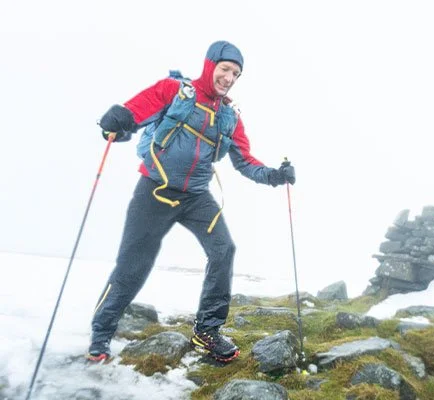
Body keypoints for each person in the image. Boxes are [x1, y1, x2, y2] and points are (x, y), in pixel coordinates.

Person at [87, 40, 296, 362]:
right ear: (210, 65)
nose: (229, 78)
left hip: (197, 197)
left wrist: (274, 176)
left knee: (224, 250)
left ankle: (207, 331)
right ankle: (101, 335)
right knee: (133, 266)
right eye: (225, 69)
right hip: (154, 191)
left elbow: (244, 161)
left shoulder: (229, 117)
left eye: (236, 74)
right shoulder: (174, 91)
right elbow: (136, 112)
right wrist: (117, 120)